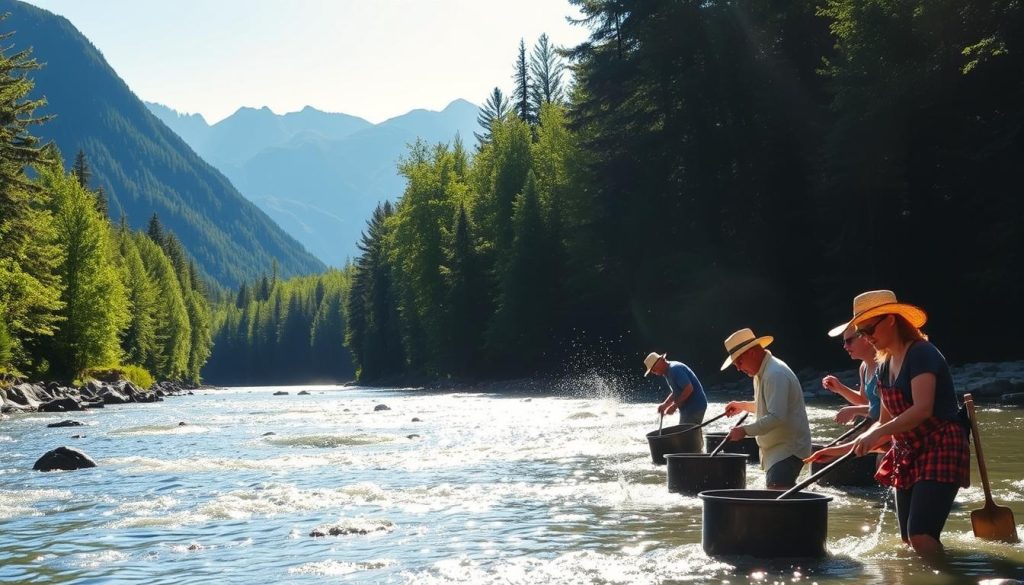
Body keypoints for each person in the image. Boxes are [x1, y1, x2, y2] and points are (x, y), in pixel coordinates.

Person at [805, 290, 969, 559]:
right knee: (908, 538)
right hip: (908, 450)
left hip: (941, 444)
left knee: (921, 535)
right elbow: (883, 423)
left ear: (891, 320)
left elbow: (922, 409)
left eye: (869, 329)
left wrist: (880, 432)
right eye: (862, 331)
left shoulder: (922, 353)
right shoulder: (883, 366)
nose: (866, 337)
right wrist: (838, 451)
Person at [719, 328, 812, 489]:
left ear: (751, 353)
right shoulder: (761, 373)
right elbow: (769, 407)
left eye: (739, 362)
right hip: (778, 451)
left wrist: (744, 430)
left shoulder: (774, 374)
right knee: (778, 499)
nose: (739, 368)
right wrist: (743, 406)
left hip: (788, 450)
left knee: (776, 498)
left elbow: (776, 416)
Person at [821, 323, 880, 424]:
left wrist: (854, 410)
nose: (844, 346)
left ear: (864, 337)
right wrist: (840, 388)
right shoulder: (864, 366)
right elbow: (864, 400)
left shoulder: (885, 364)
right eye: (844, 342)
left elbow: (888, 409)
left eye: (849, 341)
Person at [644, 352, 708, 426]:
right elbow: (676, 392)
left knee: (685, 434)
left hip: (695, 406)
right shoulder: (667, 372)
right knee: (685, 433)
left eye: (653, 369)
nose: (653, 372)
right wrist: (665, 405)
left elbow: (689, 388)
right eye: (652, 371)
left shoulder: (675, 369)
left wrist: (674, 406)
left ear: (660, 361)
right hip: (688, 408)